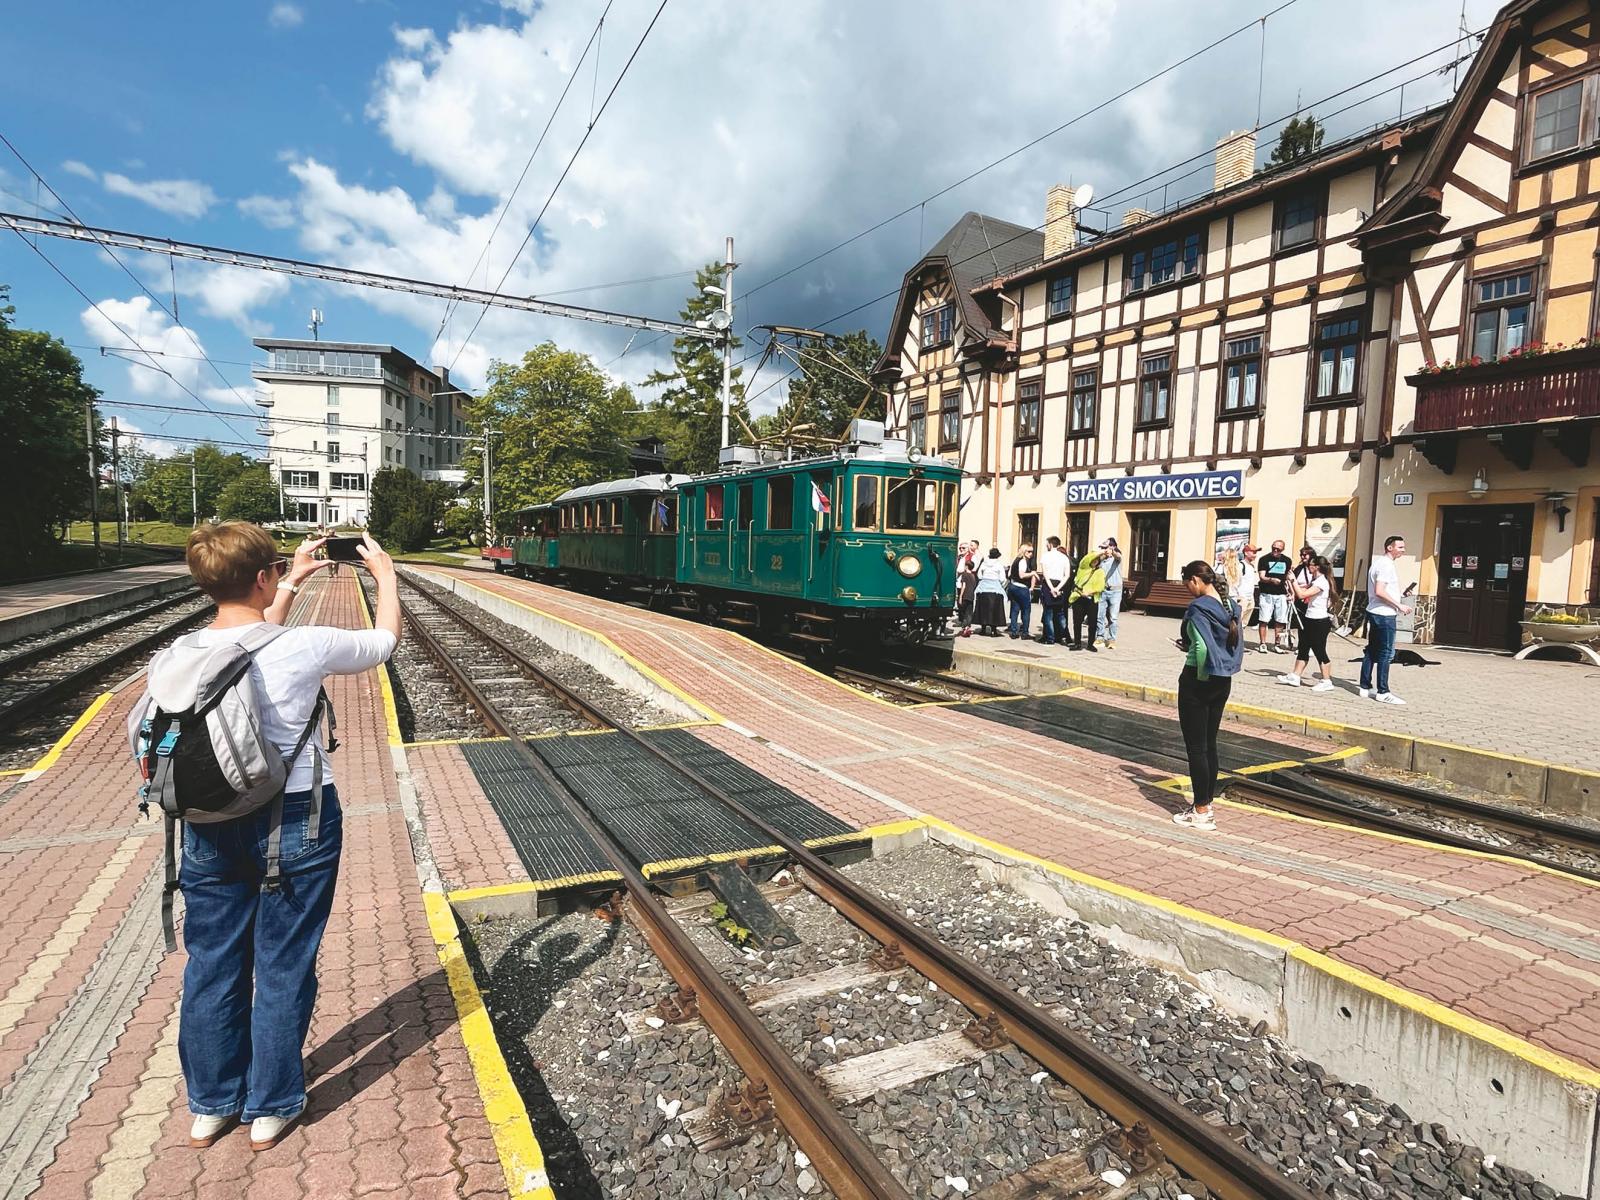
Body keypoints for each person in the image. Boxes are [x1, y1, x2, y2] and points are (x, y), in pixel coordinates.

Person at [175, 524, 401, 1152]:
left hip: (206, 825)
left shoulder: (180, 652)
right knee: (282, 963)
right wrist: (382, 577)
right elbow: (382, 642)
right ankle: (271, 1107)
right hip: (294, 817)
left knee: (214, 964)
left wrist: (293, 577)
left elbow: (249, 636)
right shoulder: (305, 645)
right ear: (262, 578)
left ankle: (212, 1105)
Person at [1172, 561, 1243, 832]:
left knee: (1196, 747)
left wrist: (1200, 678)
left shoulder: (1198, 607)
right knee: (1209, 744)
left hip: (1198, 680)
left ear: (1195, 580)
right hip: (1223, 681)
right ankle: (1207, 804)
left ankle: (1201, 811)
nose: (1188, 590)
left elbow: (1201, 648)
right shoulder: (1230, 606)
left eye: (1187, 585)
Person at [1360, 535, 1413, 705]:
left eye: (1403, 547)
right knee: (1386, 653)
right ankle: (1383, 691)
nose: (1403, 550)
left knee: (1372, 650)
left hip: (1375, 612)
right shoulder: (1385, 565)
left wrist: (1401, 595)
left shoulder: (1379, 563)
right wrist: (1400, 605)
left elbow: (1383, 590)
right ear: (1389, 547)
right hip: (1384, 615)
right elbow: (1379, 591)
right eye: (1400, 547)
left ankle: (1365, 686)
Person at [1278, 555, 1337, 693]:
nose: (1308, 566)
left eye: (1310, 564)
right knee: (1303, 648)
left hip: (1319, 621)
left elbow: (1303, 595)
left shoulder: (1322, 582)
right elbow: (1300, 591)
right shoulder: (1315, 580)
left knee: (1319, 651)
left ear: (1316, 566)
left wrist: (1293, 580)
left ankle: (1327, 680)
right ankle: (1295, 676)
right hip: (1309, 618)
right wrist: (1291, 588)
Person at [1254, 539, 1293, 653]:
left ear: (1282, 549)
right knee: (1264, 619)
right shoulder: (1264, 559)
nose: (1275, 550)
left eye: (1278, 549)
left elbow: (1287, 577)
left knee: (1280, 620)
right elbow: (1262, 576)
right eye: (1273, 548)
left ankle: (1277, 644)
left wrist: (1292, 592)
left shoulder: (1287, 560)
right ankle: (1262, 643)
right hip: (1266, 593)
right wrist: (1271, 579)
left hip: (1281, 593)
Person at [1068, 547, 1107, 652]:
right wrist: (1101, 552)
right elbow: (1086, 559)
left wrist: (1089, 592)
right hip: (1079, 597)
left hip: (1092, 599)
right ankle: (1077, 643)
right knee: (1077, 622)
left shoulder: (1100, 572)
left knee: (1092, 622)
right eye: (1093, 559)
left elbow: (1100, 586)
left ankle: (1090, 644)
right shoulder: (1083, 568)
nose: (1095, 561)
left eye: (1097, 559)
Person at [1037, 536, 1072, 646]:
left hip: (1048, 584)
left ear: (1050, 544)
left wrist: (1051, 588)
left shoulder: (1045, 556)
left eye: (1047, 544)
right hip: (1060, 584)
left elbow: (1045, 574)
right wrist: (1058, 588)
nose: (1046, 546)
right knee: (1060, 612)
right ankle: (1062, 635)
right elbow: (1067, 575)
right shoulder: (1064, 558)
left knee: (1048, 612)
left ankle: (1050, 638)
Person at [974, 547, 1008, 636]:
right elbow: (1002, 578)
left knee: (983, 609)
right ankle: (993, 630)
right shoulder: (999, 565)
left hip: (983, 589)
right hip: (995, 590)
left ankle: (983, 629)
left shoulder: (984, 564)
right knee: (995, 610)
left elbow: (979, 575)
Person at [1096, 539, 1123, 649]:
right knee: (1100, 615)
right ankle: (1100, 637)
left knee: (1113, 617)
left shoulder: (1117, 558)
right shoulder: (1102, 560)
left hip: (1115, 591)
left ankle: (1111, 639)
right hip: (1103, 590)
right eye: (1101, 548)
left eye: (1104, 547)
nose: (1102, 550)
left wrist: (1112, 552)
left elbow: (1118, 556)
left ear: (1112, 547)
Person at [1006, 543, 1036, 640]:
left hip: (1013, 586)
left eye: (1032, 551)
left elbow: (1010, 573)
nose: (1031, 554)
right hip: (1021, 588)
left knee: (1015, 609)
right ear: (1024, 551)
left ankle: (1014, 631)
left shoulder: (1016, 560)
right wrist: (1032, 573)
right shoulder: (1023, 561)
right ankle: (1025, 633)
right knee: (1026, 610)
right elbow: (1022, 575)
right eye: (1029, 551)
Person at [954, 541, 977, 638]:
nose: (961, 550)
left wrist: (960, 596)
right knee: (964, 608)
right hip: (961, 584)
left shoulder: (970, 557)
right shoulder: (960, 557)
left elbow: (974, 567)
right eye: (960, 548)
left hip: (965, 586)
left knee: (965, 607)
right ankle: (964, 623)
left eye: (963, 548)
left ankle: (965, 625)